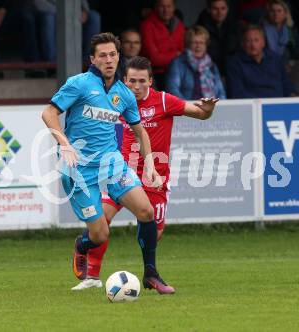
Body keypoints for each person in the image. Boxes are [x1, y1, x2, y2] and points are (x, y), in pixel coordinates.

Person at [71, 56, 219, 291]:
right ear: (124, 80)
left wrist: (208, 110)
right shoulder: (115, 100)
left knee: (155, 232)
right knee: (102, 220)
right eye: (131, 81)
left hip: (154, 176)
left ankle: (149, 273)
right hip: (121, 172)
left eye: (142, 81)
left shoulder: (163, 100)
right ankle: (92, 275)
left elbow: (200, 113)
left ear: (151, 81)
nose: (136, 87)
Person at [42, 33, 173, 294]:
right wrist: (64, 144)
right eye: (102, 55)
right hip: (79, 169)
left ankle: (151, 274)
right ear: (92, 59)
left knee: (146, 212)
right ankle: (82, 245)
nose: (109, 60)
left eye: (113, 54)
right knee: (100, 235)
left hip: (112, 164)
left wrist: (149, 165)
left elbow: (140, 131)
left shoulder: (124, 94)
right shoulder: (79, 84)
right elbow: (49, 113)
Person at [226, 24, 296, 98]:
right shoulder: (235, 64)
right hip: (252, 106)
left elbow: (286, 85)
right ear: (243, 44)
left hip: (279, 105)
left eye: (256, 40)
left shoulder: (275, 59)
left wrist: (293, 95)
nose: (253, 45)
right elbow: (237, 93)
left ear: (263, 42)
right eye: (248, 41)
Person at [166, 26, 226, 100]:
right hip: (187, 109)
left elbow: (221, 92)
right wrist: (188, 108)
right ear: (188, 44)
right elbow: (172, 90)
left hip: (211, 109)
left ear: (206, 45)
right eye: (194, 42)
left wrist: (220, 108)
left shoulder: (212, 66)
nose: (198, 46)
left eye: (202, 43)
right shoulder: (177, 64)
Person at [33, 0, 101, 64]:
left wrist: (85, 10)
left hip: (72, 11)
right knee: (48, 19)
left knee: (94, 17)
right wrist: (61, 13)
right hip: (50, 11)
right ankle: (53, 62)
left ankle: (88, 59)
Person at [140, 0, 185, 90]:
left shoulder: (179, 25)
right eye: (162, 6)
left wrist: (164, 55)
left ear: (174, 7)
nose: (166, 10)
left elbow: (183, 53)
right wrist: (176, 54)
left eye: (169, 6)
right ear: (156, 7)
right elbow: (154, 59)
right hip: (155, 74)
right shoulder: (147, 25)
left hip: (178, 71)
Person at [196, 0, 240, 76]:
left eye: (223, 8)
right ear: (208, 9)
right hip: (208, 71)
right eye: (215, 9)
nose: (219, 13)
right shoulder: (200, 27)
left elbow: (236, 52)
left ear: (228, 9)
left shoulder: (235, 25)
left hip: (232, 71)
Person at [261, 0, 299, 66]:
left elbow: (297, 52)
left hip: (287, 65)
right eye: (272, 11)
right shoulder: (261, 29)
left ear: (285, 13)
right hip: (266, 64)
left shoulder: (291, 29)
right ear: (268, 13)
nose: (276, 14)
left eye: (279, 11)